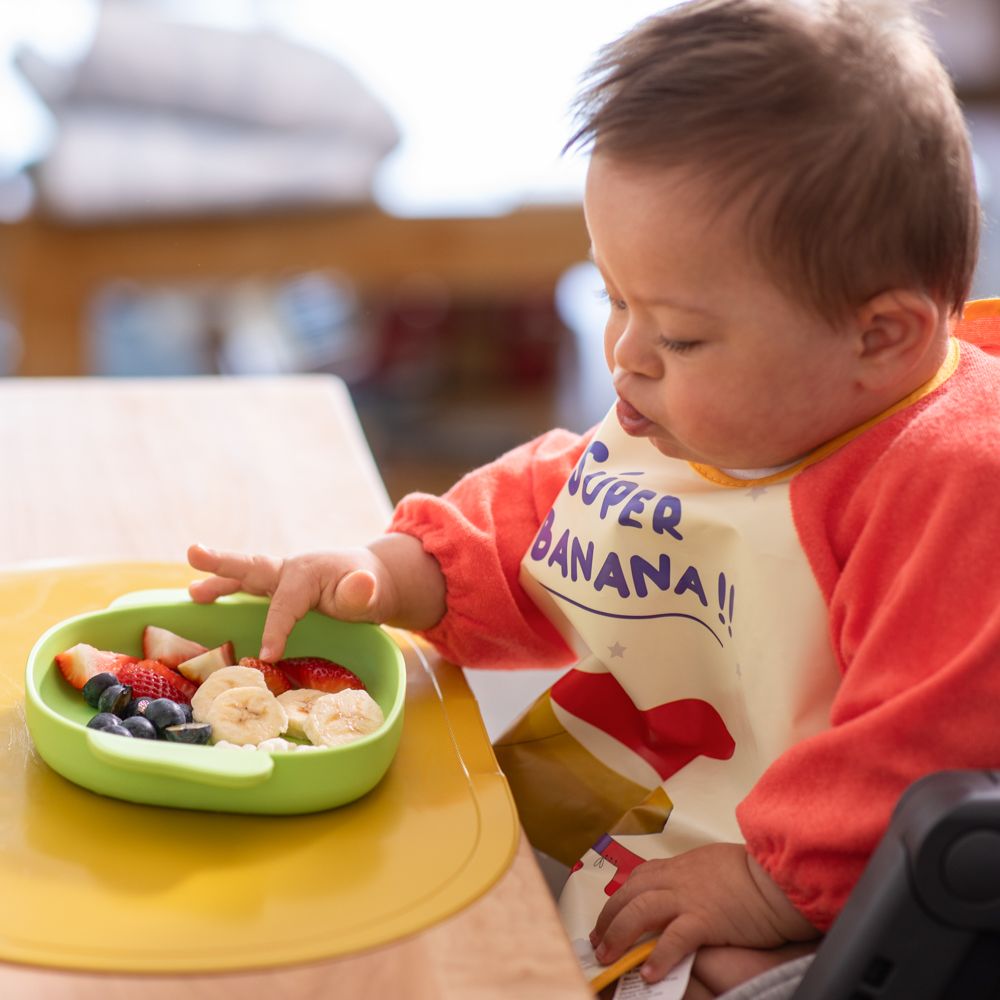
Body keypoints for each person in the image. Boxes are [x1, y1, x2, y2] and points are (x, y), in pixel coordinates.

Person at [187, 0, 1000, 995]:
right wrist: (390, 571)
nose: (625, 354)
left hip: (838, 888)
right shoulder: (726, 413)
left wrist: (773, 887)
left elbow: (925, 742)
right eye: (614, 298)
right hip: (641, 821)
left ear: (881, 338)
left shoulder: (958, 482)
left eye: (680, 334)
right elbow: (563, 504)